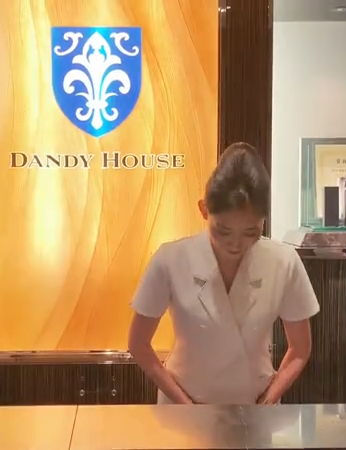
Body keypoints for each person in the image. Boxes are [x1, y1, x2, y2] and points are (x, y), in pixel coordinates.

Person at [127, 142, 320, 405]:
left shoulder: (283, 261)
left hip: (254, 407)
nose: (236, 244)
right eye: (223, 231)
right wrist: (184, 404)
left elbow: (300, 349)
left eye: (251, 232)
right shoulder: (170, 259)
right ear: (204, 209)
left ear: (264, 219)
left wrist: (269, 399)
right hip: (184, 406)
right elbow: (138, 344)